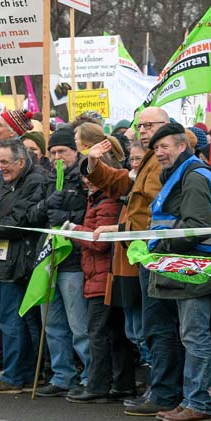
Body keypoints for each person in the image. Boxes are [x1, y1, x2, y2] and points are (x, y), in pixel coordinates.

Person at [85, 108, 178, 416]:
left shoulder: (166, 160)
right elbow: (123, 184)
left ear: (168, 128)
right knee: (148, 327)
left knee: (157, 328)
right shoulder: (151, 160)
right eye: (141, 126)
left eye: (150, 125)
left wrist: (122, 229)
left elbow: (153, 211)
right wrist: (94, 162)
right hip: (139, 252)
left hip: (151, 252)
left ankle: (163, 392)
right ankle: (160, 390)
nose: (143, 131)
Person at [146, 122, 211, 421]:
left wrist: (158, 240)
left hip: (193, 267)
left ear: (182, 146)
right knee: (190, 335)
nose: (159, 153)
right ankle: (193, 398)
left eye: (165, 146)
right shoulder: (183, 173)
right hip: (183, 266)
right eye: (156, 148)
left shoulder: (194, 177)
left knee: (194, 336)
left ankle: (200, 402)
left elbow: (197, 225)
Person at [0, 139, 49, 394]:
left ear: (21, 161)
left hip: (19, 261)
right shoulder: (5, 182)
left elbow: (19, 220)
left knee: (14, 320)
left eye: (5, 162)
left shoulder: (35, 181)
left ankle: (15, 376)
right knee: (21, 319)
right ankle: (24, 372)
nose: (0, 167)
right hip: (5, 259)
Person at [34, 126, 90, 397]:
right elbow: (32, 216)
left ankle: (91, 375)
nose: (57, 156)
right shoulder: (46, 179)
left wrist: (67, 213)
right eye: (53, 152)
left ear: (75, 151)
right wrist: (47, 206)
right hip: (48, 259)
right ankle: (62, 375)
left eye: (62, 151)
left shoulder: (84, 177)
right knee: (53, 324)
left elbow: (89, 217)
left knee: (79, 325)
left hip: (74, 261)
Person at [67, 153, 125, 402]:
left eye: (92, 174)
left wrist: (73, 230)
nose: (87, 179)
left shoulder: (107, 201)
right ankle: (120, 384)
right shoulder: (97, 199)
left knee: (98, 333)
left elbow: (100, 243)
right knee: (111, 333)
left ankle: (98, 386)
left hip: (102, 276)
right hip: (97, 274)